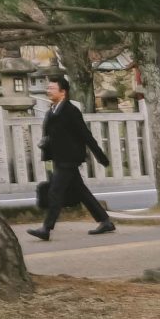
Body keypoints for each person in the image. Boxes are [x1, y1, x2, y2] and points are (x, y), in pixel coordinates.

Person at [30, 73, 115, 240]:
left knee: (55, 191)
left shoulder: (70, 111)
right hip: (58, 158)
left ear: (63, 92)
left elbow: (85, 135)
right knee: (81, 191)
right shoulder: (52, 110)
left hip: (69, 158)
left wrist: (100, 156)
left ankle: (46, 229)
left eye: (52, 88)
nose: (49, 91)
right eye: (48, 88)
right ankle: (105, 221)